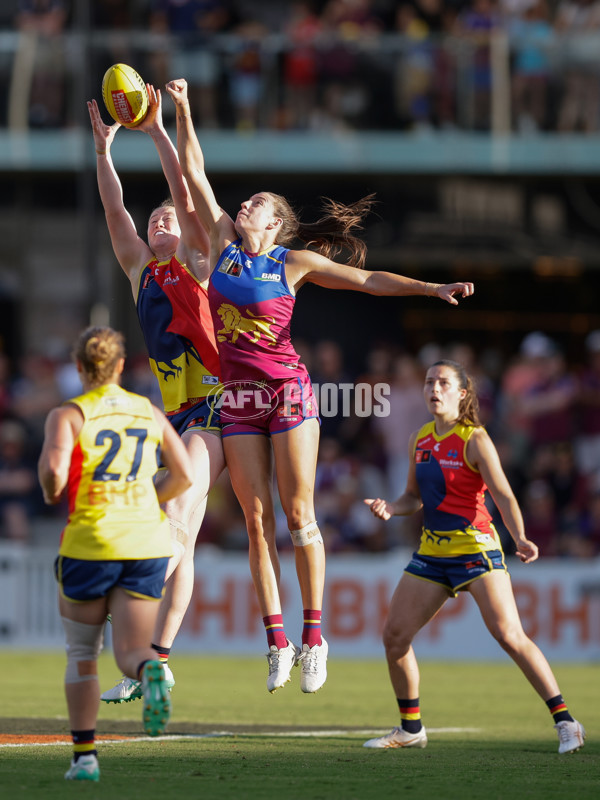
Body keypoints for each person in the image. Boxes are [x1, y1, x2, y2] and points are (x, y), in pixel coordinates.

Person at [165, 77, 474, 694]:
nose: (246, 206)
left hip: (288, 391)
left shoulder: (292, 263)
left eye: (258, 203)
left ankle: (314, 636)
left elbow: (366, 282)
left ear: (278, 224)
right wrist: (184, 110)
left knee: (299, 513)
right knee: (255, 520)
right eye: (246, 201)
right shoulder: (224, 244)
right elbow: (194, 173)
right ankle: (276, 640)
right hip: (241, 400)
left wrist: (429, 289)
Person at [362, 359, 585, 754]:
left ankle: (566, 721)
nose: (434, 388)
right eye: (430, 381)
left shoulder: (475, 439)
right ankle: (410, 729)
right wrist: (390, 508)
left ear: (462, 393)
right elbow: (413, 498)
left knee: (509, 636)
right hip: (432, 553)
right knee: (394, 638)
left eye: (443, 383)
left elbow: (503, 494)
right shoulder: (420, 438)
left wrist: (520, 537)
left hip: (476, 550)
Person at [87, 84, 226, 703]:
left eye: (168, 217)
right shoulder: (143, 269)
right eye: (154, 219)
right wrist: (103, 154)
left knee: (173, 512)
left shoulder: (199, 261)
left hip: (221, 408)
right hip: (179, 412)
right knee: (185, 532)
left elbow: (186, 191)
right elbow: (116, 211)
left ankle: (128, 593)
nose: (160, 219)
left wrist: (159, 131)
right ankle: (157, 662)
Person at [37, 326, 193, 782]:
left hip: (91, 542)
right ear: (121, 366)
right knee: (132, 649)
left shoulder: (69, 415)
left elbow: (52, 471)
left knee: (83, 654)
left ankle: (85, 759)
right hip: (146, 543)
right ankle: (151, 673)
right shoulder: (147, 411)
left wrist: (52, 491)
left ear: (80, 367)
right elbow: (183, 474)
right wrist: (146, 497)